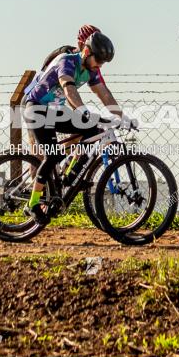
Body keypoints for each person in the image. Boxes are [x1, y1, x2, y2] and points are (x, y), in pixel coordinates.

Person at [20, 31, 133, 224]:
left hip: (54, 110)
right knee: (52, 155)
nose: (100, 65)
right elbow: (68, 88)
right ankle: (33, 203)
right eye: (99, 60)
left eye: (103, 63)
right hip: (37, 108)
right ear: (87, 51)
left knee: (92, 130)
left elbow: (104, 94)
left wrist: (123, 117)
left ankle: (72, 174)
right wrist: (83, 110)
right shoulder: (67, 61)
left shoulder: (90, 70)